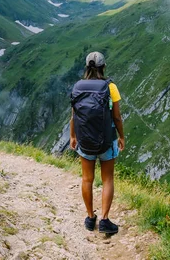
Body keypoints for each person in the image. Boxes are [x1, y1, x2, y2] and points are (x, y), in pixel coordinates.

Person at [70, 51, 125, 235]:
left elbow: (74, 115)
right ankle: (105, 220)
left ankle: (89, 218)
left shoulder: (78, 87)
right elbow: (116, 117)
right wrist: (121, 136)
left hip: (85, 140)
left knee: (87, 179)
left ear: (87, 67)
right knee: (107, 178)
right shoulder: (110, 87)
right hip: (106, 140)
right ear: (103, 67)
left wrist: (73, 136)